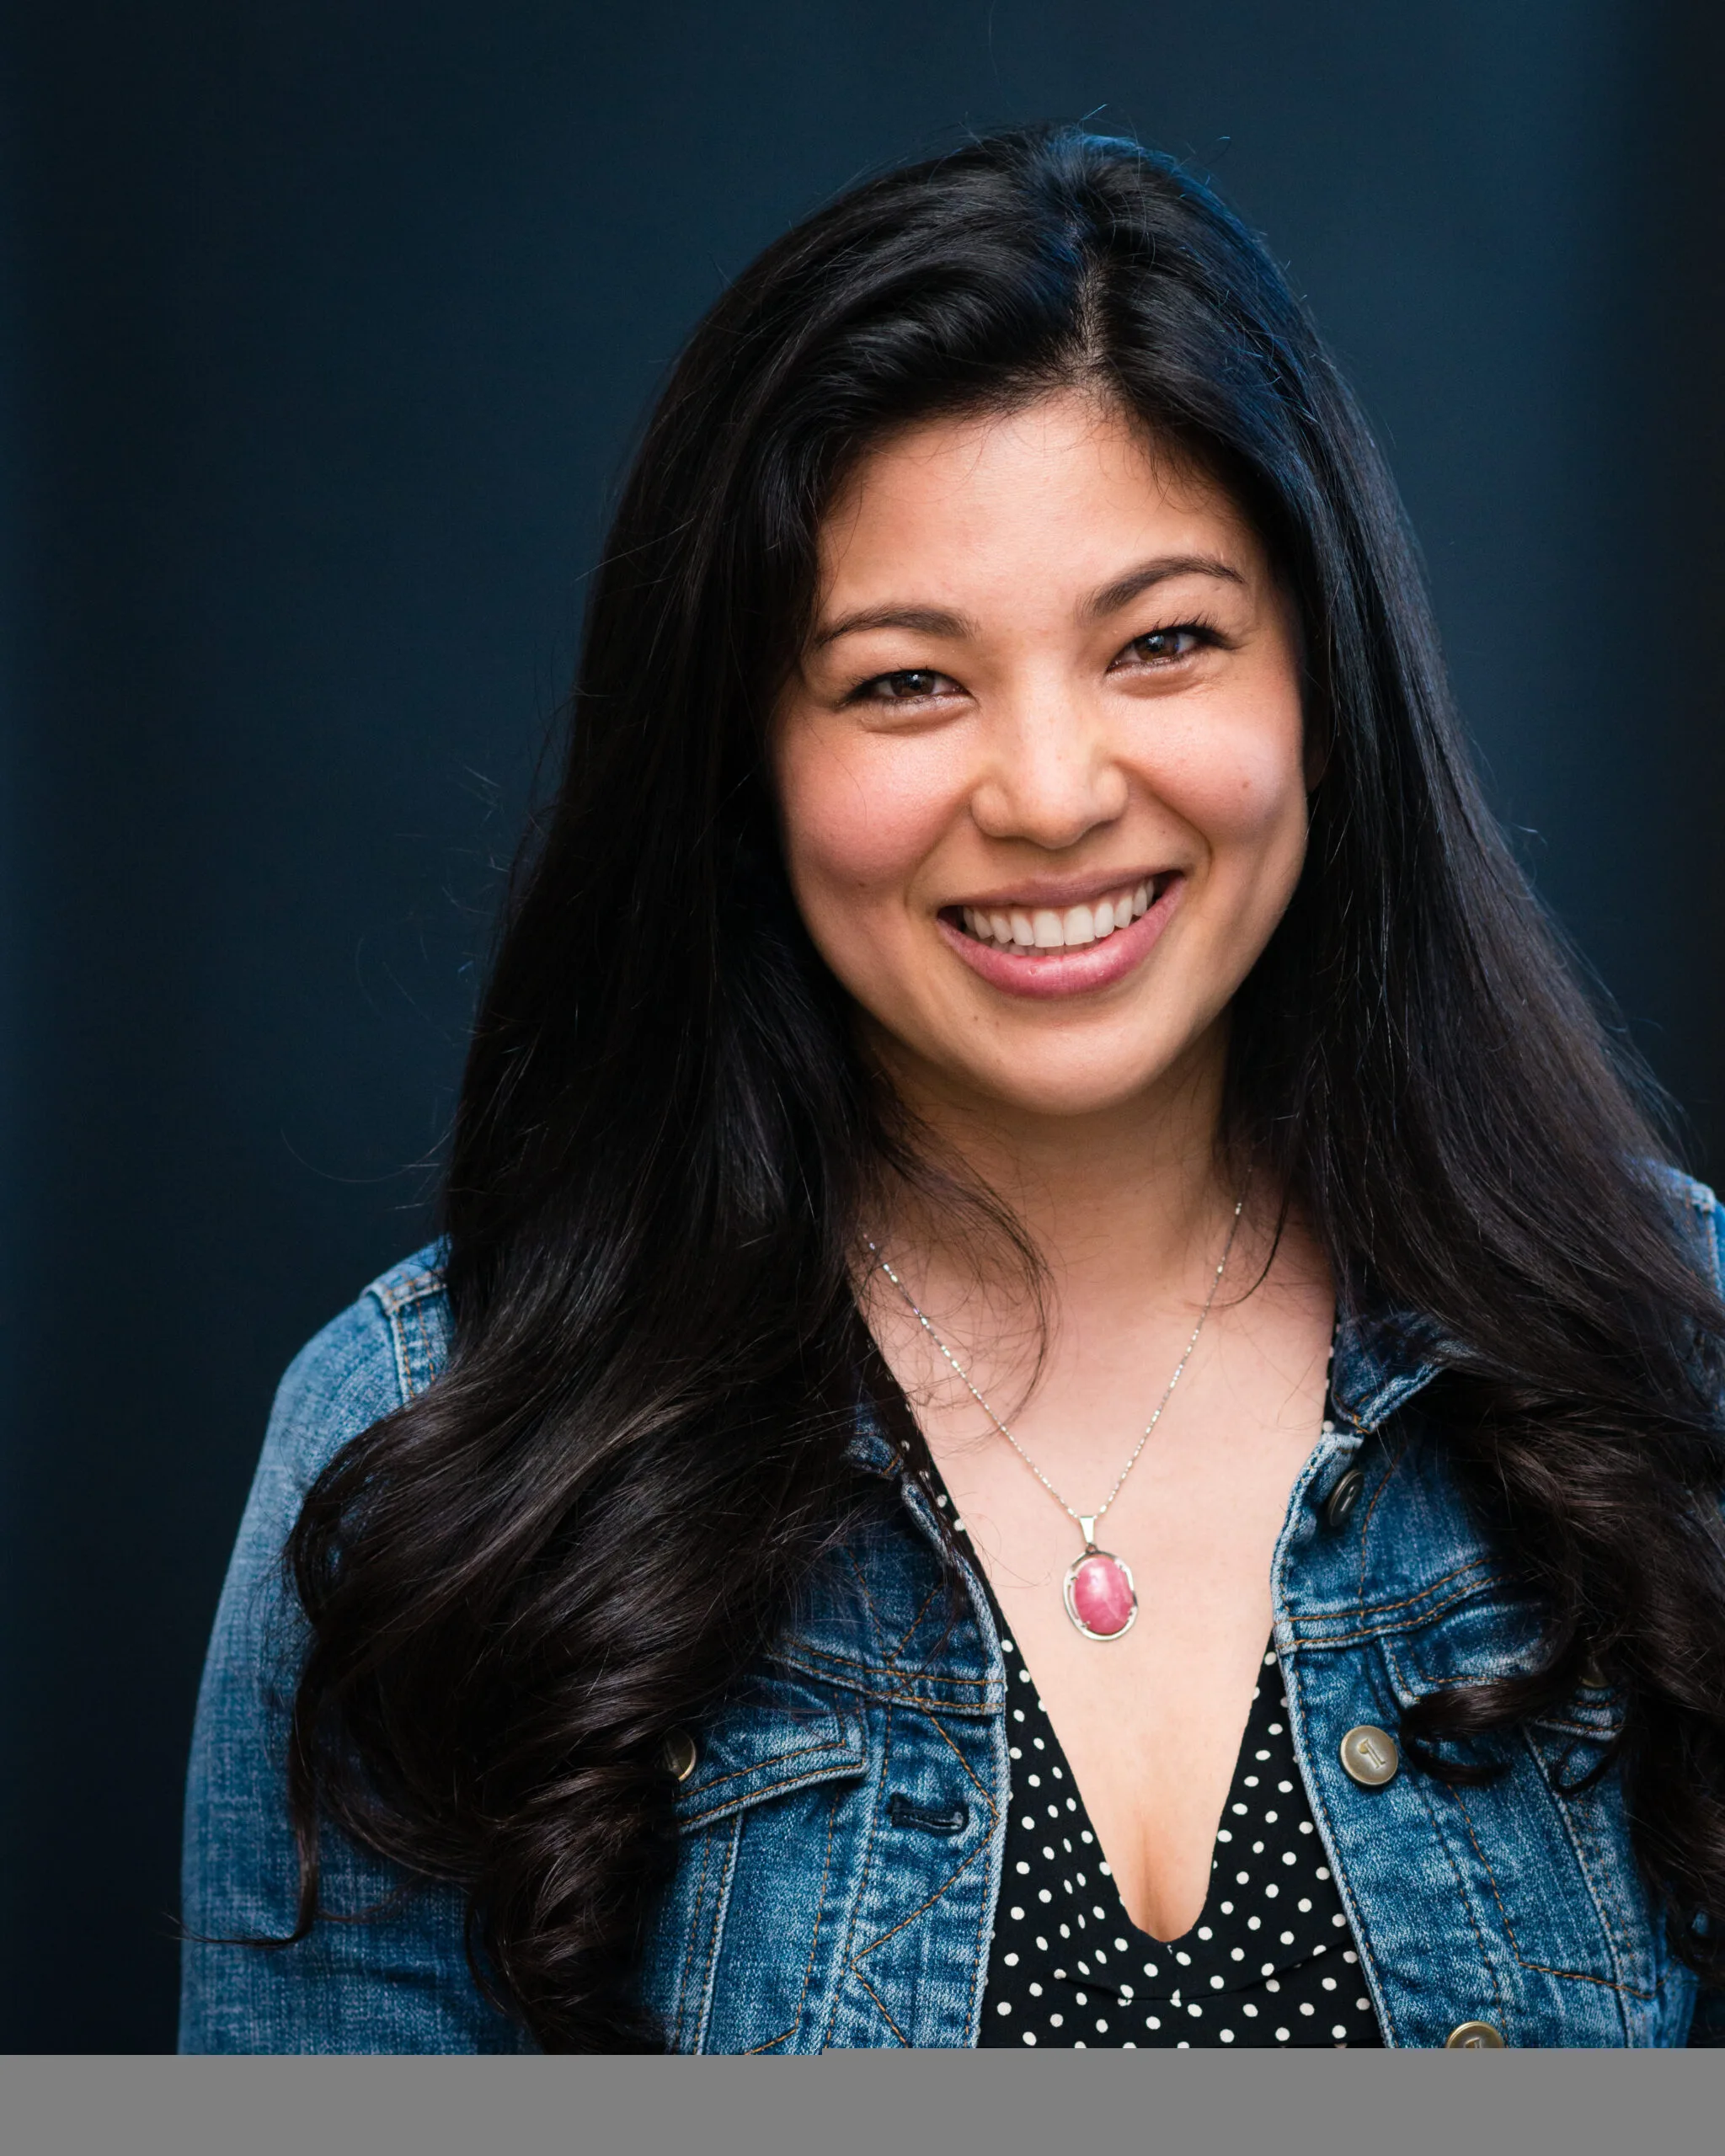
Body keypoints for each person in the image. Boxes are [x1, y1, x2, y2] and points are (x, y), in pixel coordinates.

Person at [179, 126, 1725, 2053]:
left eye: (1164, 642)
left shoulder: (1678, 1358)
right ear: (744, 758)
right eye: (908, 681)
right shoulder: (428, 1455)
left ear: (1324, 683)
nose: (1054, 790)